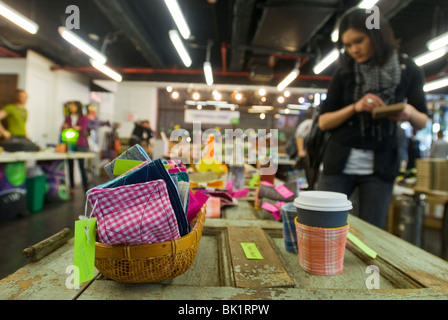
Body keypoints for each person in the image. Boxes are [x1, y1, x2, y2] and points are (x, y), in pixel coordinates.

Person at [317, 8, 429, 229]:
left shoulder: (408, 69)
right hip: (339, 162)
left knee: (372, 232)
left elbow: (423, 120)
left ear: (376, 35)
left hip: (382, 164)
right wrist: (355, 107)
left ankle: (365, 266)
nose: (353, 50)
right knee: (324, 224)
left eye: (359, 41)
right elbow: (323, 122)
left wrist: (407, 112)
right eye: (347, 45)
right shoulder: (344, 71)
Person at [62, 101, 89, 194]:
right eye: (70, 106)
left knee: (82, 166)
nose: (71, 107)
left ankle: (86, 185)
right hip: (70, 143)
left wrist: (78, 128)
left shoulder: (84, 118)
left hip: (80, 144)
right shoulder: (68, 117)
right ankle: (72, 187)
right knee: (70, 166)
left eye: (73, 106)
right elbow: (63, 127)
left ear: (78, 107)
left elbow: (84, 127)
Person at [295, 108, 318, 189]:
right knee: (308, 180)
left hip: (315, 157)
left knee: (312, 180)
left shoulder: (314, 123)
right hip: (307, 157)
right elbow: (299, 136)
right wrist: (301, 151)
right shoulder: (308, 123)